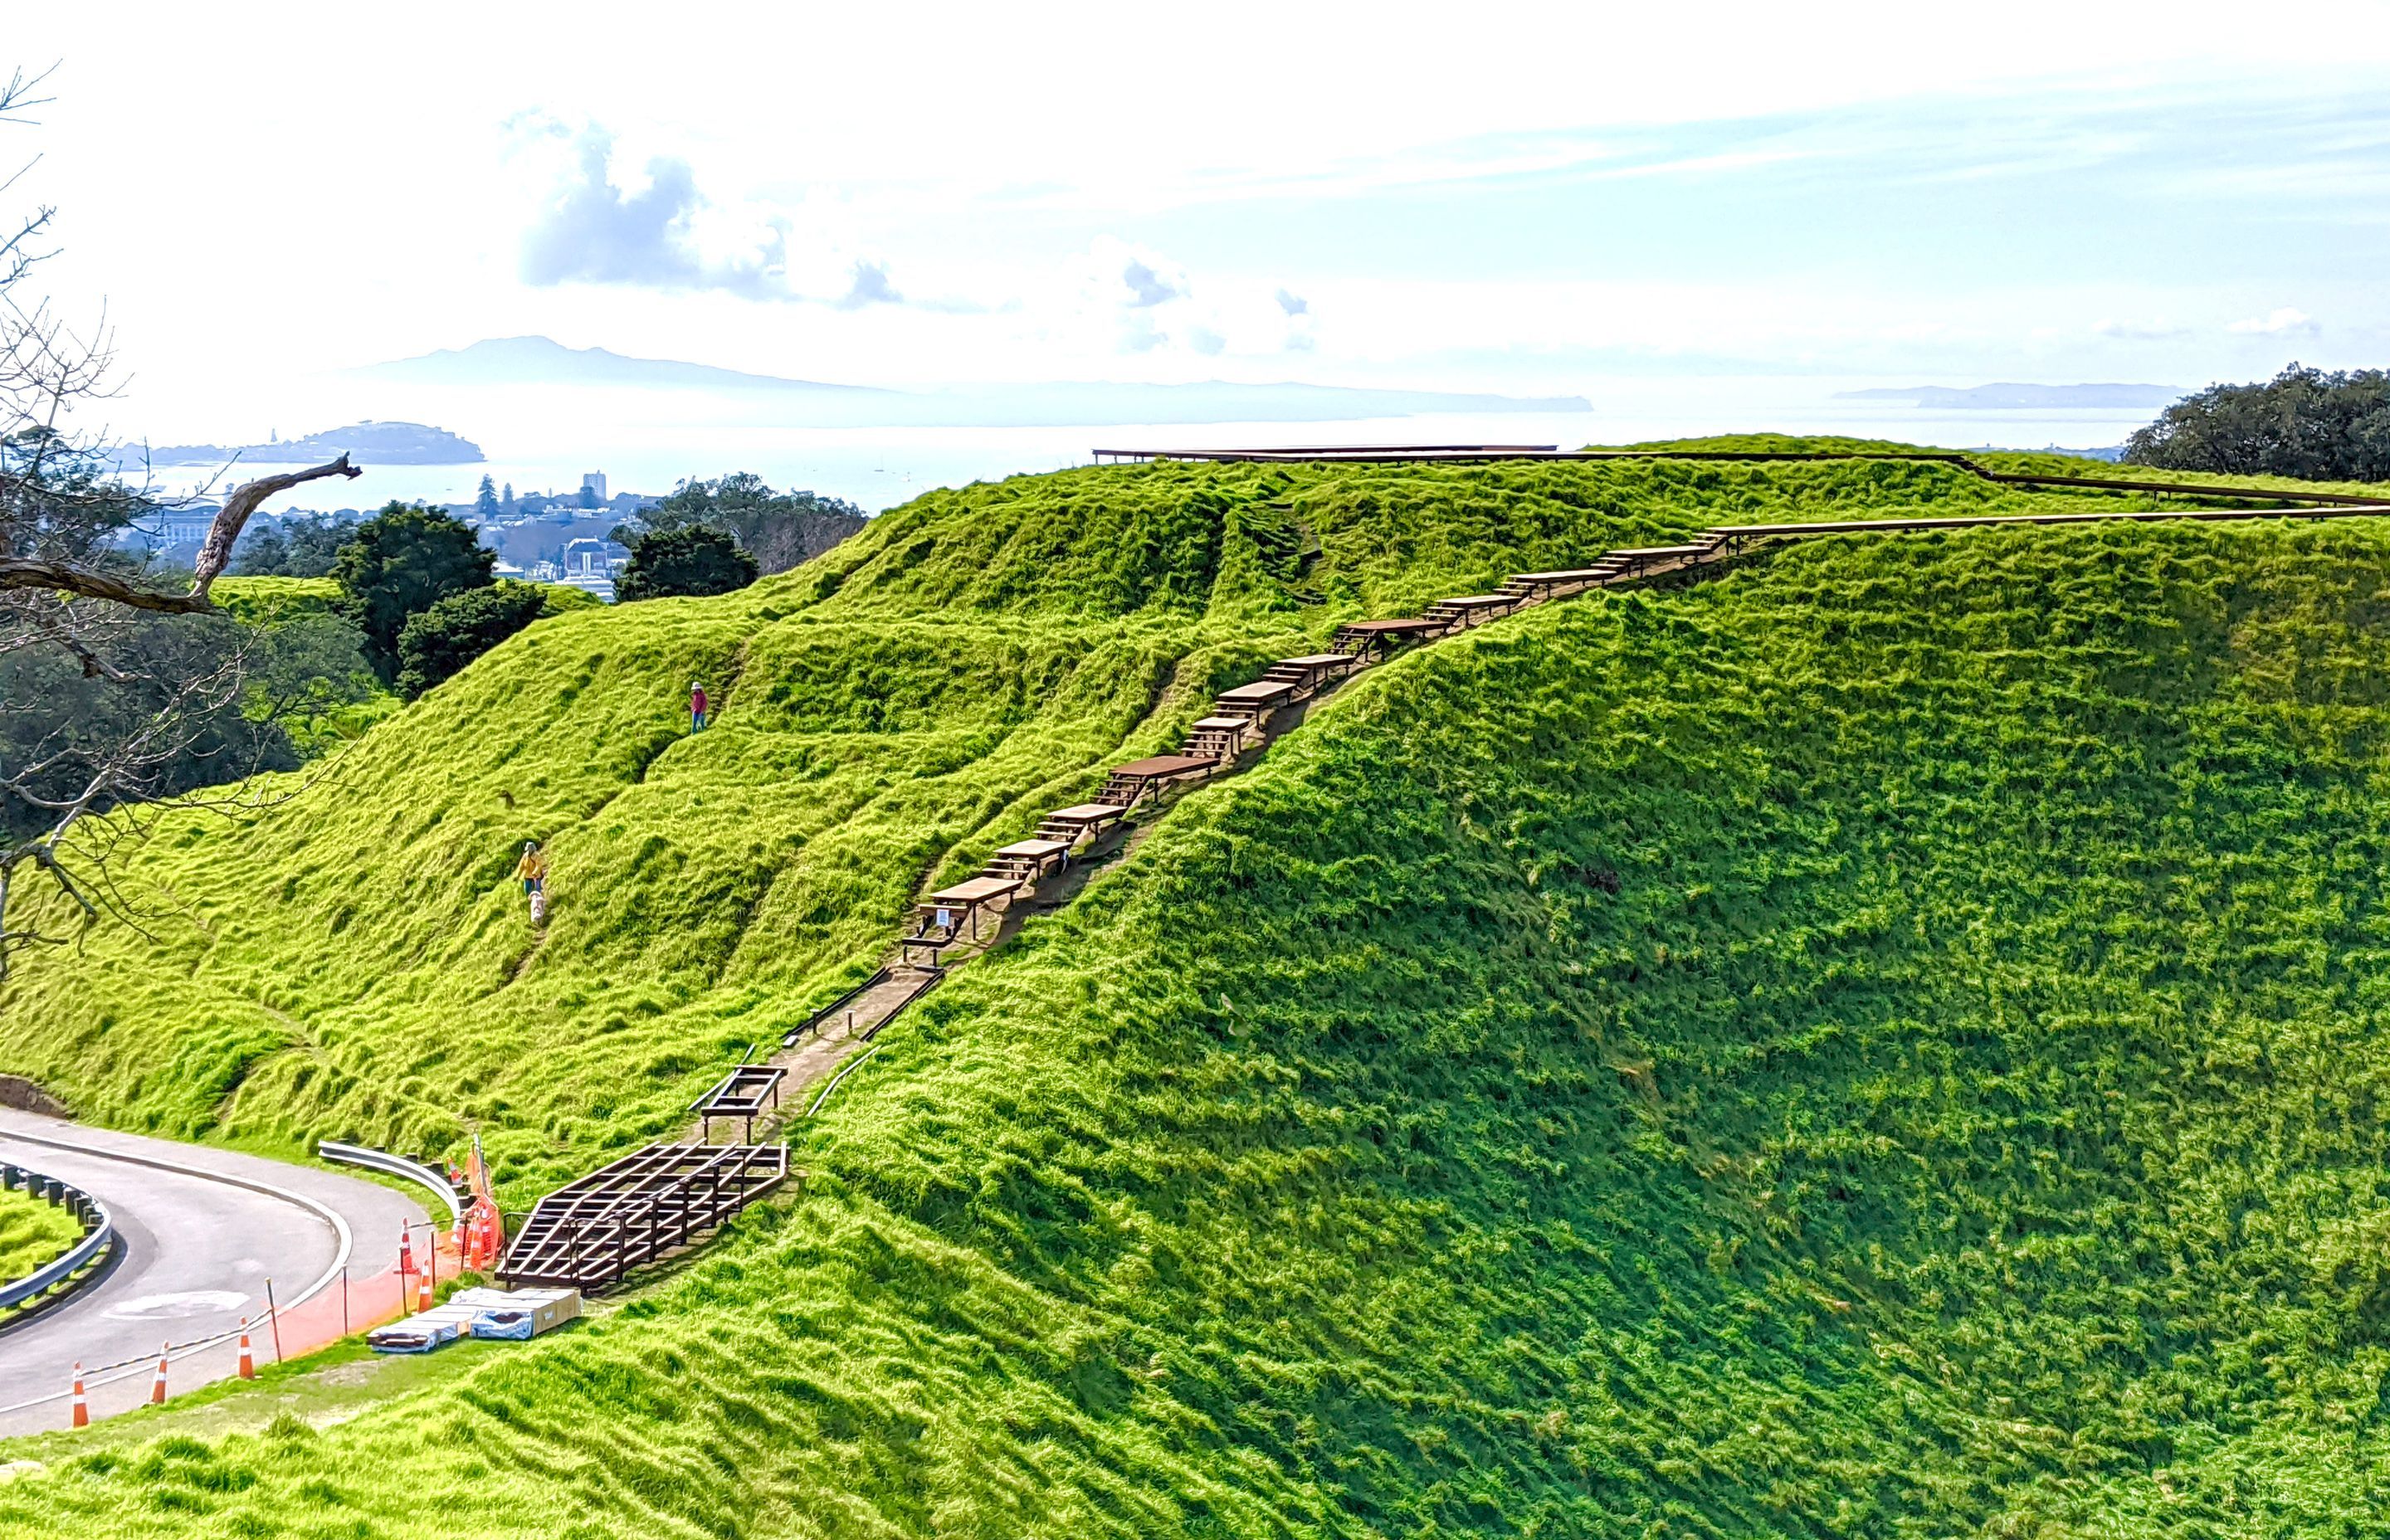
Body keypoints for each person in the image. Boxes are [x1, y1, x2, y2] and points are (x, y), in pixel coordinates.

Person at [515, 840, 548, 904]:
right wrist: (517, 876)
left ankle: (540, 903)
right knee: (527, 890)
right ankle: (531, 902)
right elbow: (521, 866)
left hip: (536, 876)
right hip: (527, 876)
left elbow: (539, 865)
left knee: (537, 890)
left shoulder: (537, 856)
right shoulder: (525, 856)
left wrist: (535, 873)